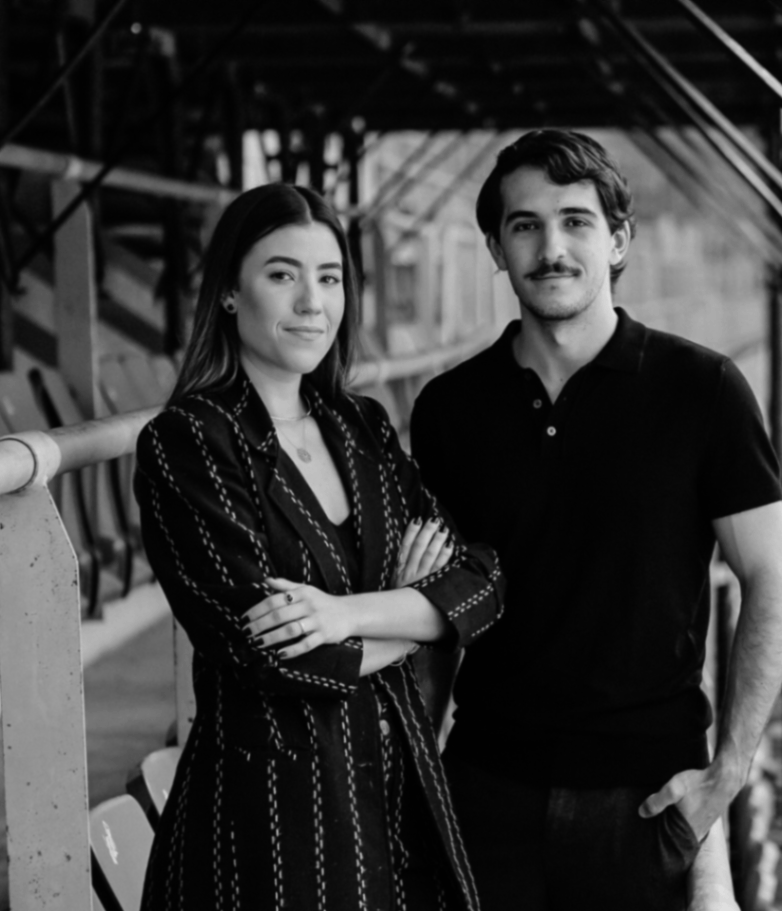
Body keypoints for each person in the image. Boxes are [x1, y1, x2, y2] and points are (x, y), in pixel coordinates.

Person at [410, 130, 782, 911]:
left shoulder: (704, 391)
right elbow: (438, 612)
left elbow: (771, 582)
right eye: (525, 225)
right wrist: (414, 771)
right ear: (496, 248)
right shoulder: (449, 410)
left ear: (618, 239)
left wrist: (727, 773)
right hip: (486, 791)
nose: (551, 247)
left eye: (576, 222)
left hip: (646, 798)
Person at [134, 182, 505, 911]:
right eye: (283, 275)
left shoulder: (359, 425)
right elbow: (273, 652)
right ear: (230, 292)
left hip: (398, 797)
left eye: (330, 278)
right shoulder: (191, 441)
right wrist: (411, 618)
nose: (312, 302)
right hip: (271, 822)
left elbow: (481, 579)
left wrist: (344, 614)